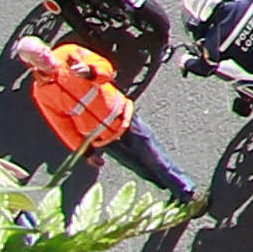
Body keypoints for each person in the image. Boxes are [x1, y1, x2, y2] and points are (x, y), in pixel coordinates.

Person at [12, 26, 194, 204]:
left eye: (44, 50)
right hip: (103, 139)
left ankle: (186, 192)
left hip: (124, 118)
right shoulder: (42, 92)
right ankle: (174, 189)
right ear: (30, 65)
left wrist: (91, 71)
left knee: (156, 159)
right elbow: (62, 125)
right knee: (143, 170)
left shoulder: (69, 53)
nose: (45, 57)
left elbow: (107, 69)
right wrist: (86, 152)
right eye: (38, 57)